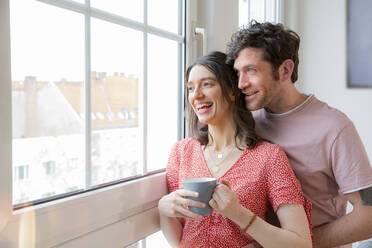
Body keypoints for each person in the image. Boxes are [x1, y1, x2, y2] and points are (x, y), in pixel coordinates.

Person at [226, 21, 372, 248]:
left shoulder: (334, 127)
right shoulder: (247, 123)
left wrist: (297, 244)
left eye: (251, 70)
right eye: (237, 73)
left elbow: (368, 215)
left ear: (285, 70)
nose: (241, 83)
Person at [158, 51, 312, 248]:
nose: (196, 95)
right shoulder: (181, 152)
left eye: (207, 84)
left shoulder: (269, 157)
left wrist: (239, 214)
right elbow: (177, 240)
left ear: (232, 90)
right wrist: (164, 209)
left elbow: (302, 244)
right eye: (190, 88)